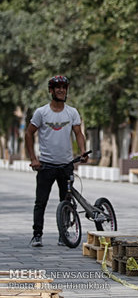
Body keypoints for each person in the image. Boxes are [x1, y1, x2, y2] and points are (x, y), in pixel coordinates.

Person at [25, 75, 88, 247]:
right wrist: (33, 158)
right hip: (45, 165)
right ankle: (37, 235)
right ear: (51, 91)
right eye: (57, 87)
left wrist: (82, 151)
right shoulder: (41, 112)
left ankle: (64, 234)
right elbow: (29, 133)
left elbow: (78, 133)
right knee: (41, 201)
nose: (61, 90)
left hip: (66, 165)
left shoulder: (72, 112)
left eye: (64, 87)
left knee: (66, 200)